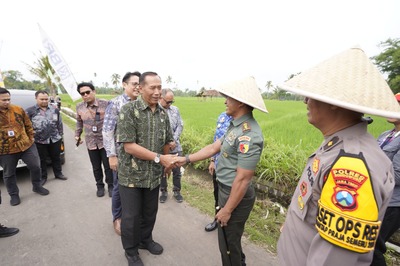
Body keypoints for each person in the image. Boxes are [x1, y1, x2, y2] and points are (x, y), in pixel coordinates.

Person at [277, 47, 399, 265]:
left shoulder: (353, 167)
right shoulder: (336, 146)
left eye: (311, 95)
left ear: (333, 102)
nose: (306, 101)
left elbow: (332, 260)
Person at [175, 76, 268, 266]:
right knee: (228, 239)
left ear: (241, 102)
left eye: (229, 98)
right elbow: (213, 148)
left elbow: (243, 179)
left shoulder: (249, 134)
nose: (225, 101)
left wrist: (227, 210)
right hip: (226, 189)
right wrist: (184, 159)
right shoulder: (235, 126)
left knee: (228, 242)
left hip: (235, 194)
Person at [116, 71, 177, 266]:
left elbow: (167, 140)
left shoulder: (162, 114)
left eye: (160, 87)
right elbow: (129, 146)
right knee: (131, 216)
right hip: (131, 175)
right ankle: (131, 251)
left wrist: (166, 165)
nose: (158, 91)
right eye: (153, 87)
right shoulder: (128, 110)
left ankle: (145, 240)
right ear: (140, 88)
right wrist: (161, 158)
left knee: (150, 212)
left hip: (153, 174)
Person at [102, 71, 141, 236]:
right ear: (124, 85)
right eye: (134, 84)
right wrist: (112, 155)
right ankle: (117, 217)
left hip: (139, 155)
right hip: (121, 155)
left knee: (135, 187)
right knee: (119, 187)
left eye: (140, 84)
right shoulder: (116, 104)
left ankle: (132, 216)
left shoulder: (140, 104)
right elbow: (107, 131)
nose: (137, 87)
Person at [0, 87, 49, 206]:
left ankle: (37, 186)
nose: (7, 102)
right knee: (9, 174)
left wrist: (31, 138)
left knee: (36, 166)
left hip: (26, 145)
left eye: (8, 99)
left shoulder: (18, 109)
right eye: (3, 100)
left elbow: (28, 125)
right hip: (5, 150)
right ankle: (14, 195)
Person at [371, 93, 400, 265]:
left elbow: (397, 175)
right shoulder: (385, 135)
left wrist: (370, 174)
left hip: (393, 203)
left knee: (373, 247)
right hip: (378, 198)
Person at [75, 82, 113, 197]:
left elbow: (113, 120)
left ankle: (111, 186)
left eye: (88, 92)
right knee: (96, 167)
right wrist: (77, 135)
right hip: (91, 142)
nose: (86, 95)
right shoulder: (79, 107)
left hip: (105, 142)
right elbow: (79, 122)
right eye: (83, 93)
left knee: (108, 166)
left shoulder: (106, 104)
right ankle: (99, 186)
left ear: (94, 91)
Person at [26, 90, 67, 186]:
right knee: (42, 159)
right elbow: (26, 126)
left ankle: (58, 174)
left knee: (56, 157)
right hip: (39, 140)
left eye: (46, 99)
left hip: (55, 138)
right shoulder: (30, 111)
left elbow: (59, 123)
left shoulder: (54, 109)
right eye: (42, 99)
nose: (44, 101)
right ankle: (43, 177)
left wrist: (60, 135)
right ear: (36, 98)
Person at [205, 111, 232, 232]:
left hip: (230, 169)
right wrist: (212, 160)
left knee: (229, 197)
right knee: (217, 194)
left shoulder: (242, 123)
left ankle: (227, 225)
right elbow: (216, 139)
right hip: (218, 164)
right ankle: (216, 219)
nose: (226, 101)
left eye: (229, 99)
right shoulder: (222, 116)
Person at [159, 88, 184, 203]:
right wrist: (167, 142)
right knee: (163, 171)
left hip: (175, 146)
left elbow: (180, 125)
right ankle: (163, 191)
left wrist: (173, 140)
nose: (170, 104)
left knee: (177, 170)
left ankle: (177, 191)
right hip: (161, 147)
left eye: (171, 102)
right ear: (160, 98)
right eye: (167, 102)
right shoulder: (155, 111)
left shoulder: (175, 110)